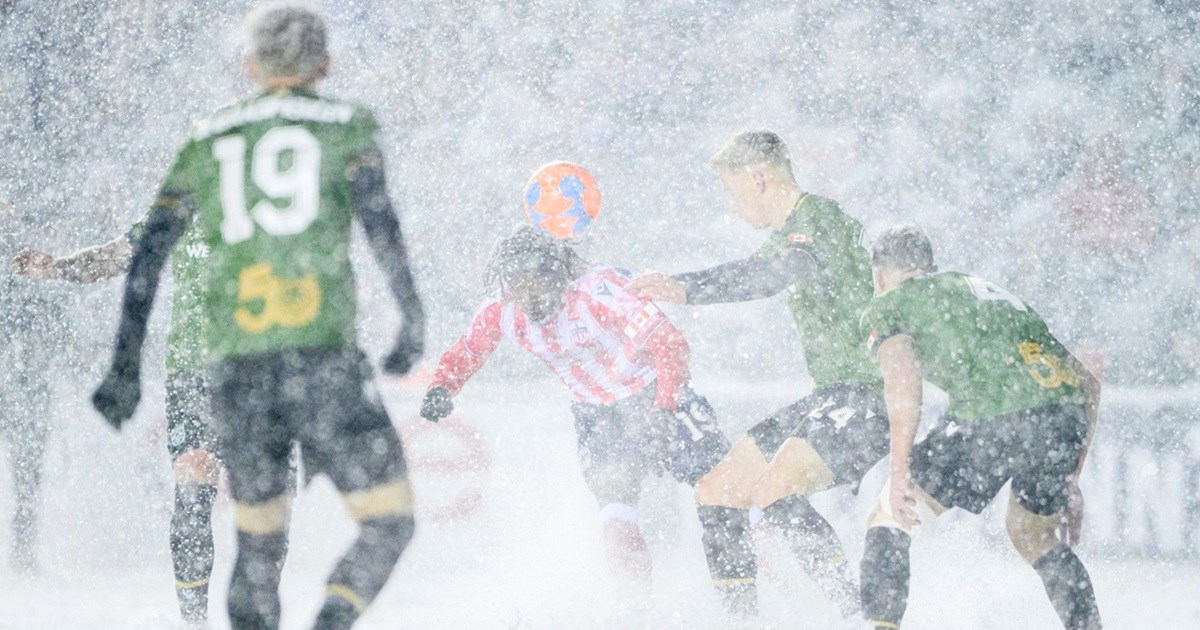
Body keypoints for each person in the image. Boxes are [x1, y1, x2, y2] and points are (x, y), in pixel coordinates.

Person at [89, 4, 425, 629]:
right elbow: (382, 226)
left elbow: (146, 259)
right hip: (322, 359)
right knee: (389, 521)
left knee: (258, 538)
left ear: (249, 67)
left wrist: (124, 367)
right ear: (325, 65)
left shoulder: (208, 140)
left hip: (235, 370)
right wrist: (412, 315)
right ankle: (331, 620)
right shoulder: (347, 125)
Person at [419, 225, 758, 617]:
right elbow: (467, 351)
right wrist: (442, 386)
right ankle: (637, 613)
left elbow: (670, 344)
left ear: (559, 276)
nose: (530, 299)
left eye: (539, 286)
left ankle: (753, 603)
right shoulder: (502, 307)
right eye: (520, 288)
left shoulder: (599, 291)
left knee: (727, 489)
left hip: (655, 391)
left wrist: (664, 409)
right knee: (616, 512)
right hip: (597, 414)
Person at [627, 129, 886, 617]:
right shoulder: (788, 236)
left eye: (732, 191)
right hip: (834, 395)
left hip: (871, 396)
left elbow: (768, 277)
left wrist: (683, 290)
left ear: (759, 178)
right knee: (717, 489)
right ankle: (743, 622)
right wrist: (682, 283)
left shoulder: (819, 220)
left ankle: (857, 617)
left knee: (775, 488)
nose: (732, 206)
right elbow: (755, 270)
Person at [858, 225, 1102, 629]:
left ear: (879, 275)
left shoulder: (889, 305)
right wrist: (1071, 479)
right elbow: (1089, 384)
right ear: (930, 266)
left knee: (888, 517)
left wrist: (899, 473)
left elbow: (903, 386)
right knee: (1033, 533)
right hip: (1063, 418)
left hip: (994, 416)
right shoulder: (988, 291)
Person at [14, 207, 230, 623]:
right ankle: (194, 622)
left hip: (265, 370)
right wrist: (59, 268)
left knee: (269, 511)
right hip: (194, 372)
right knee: (191, 495)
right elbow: (119, 255)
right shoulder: (185, 202)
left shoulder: (276, 194)